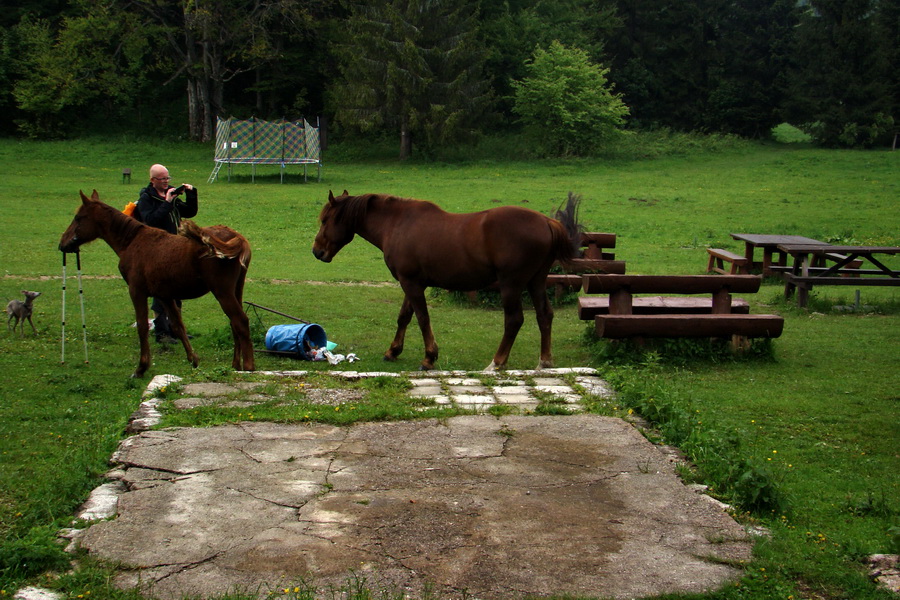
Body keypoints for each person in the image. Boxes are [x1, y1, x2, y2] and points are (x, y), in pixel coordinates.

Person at [136, 164, 199, 343]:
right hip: (156, 251)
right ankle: (161, 332)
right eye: (162, 179)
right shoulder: (146, 198)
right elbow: (150, 220)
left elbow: (189, 212)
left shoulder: (170, 193)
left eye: (167, 178)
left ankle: (176, 329)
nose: (166, 182)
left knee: (177, 289)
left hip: (175, 248)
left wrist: (192, 194)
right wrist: (167, 202)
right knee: (160, 291)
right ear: (152, 180)